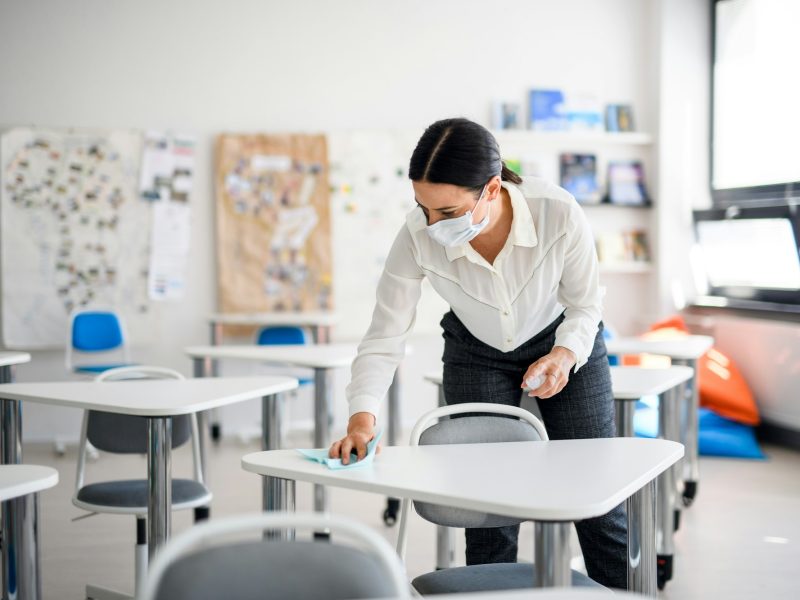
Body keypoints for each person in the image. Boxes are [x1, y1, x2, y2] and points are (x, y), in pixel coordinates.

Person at [329, 117, 627, 589]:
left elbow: (586, 304)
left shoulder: (557, 211)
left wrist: (565, 355)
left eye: (447, 212)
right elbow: (385, 335)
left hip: (563, 342)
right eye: (422, 208)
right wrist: (361, 417)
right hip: (475, 351)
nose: (432, 225)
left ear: (491, 188)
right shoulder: (415, 236)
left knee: (598, 499)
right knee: (486, 506)